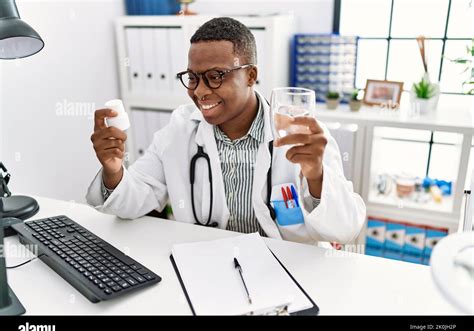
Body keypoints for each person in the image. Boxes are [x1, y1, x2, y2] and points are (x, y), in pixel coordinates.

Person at [86, 17, 366, 245]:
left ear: (251, 76)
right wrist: (113, 169)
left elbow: (344, 230)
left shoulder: (300, 134)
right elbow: (135, 199)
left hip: (285, 271)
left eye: (216, 76)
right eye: (193, 78)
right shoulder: (180, 130)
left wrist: (316, 176)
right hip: (205, 266)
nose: (200, 91)